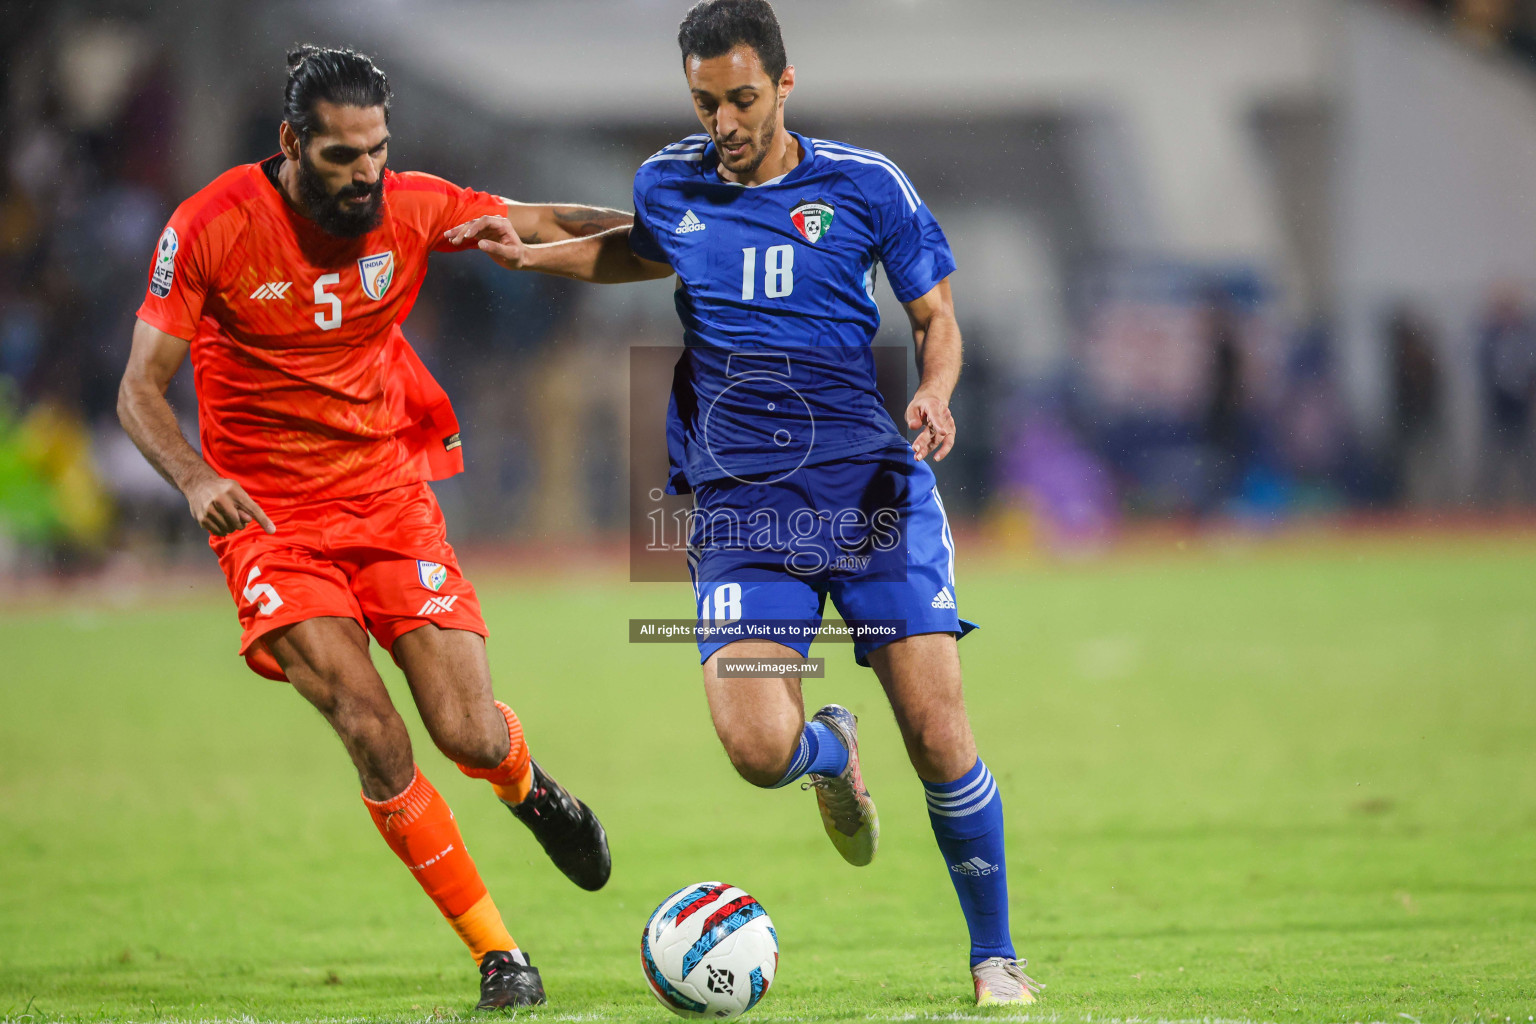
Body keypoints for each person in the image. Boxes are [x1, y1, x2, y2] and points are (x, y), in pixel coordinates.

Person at [445, 0, 1038, 1005]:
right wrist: (534, 253)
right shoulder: (671, 181)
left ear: (785, 83)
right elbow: (638, 247)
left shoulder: (864, 185)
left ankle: (995, 955)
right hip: (740, 512)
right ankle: (829, 750)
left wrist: (934, 390)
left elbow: (936, 317)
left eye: (743, 98)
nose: (724, 121)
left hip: (868, 493)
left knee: (938, 731)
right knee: (760, 749)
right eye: (705, 100)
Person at [116, 46, 622, 1010]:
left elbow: (547, 220)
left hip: (388, 496)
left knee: (467, 732)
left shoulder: (414, 203)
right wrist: (193, 478)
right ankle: (499, 955)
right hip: (271, 522)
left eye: (377, 152)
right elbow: (137, 390)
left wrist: (681, 230)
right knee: (375, 734)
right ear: (291, 144)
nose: (365, 174)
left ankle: (529, 788)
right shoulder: (212, 225)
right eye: (343, 156)